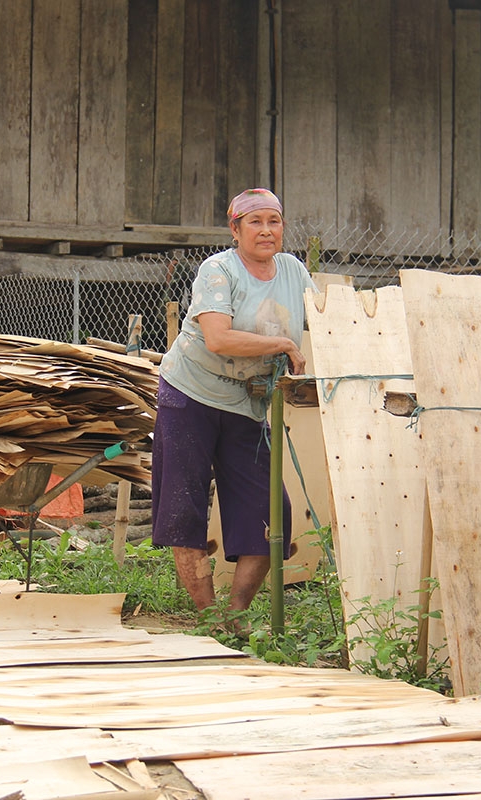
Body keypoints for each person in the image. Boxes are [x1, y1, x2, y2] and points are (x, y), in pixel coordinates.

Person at [151, 187, 316, 631]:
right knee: (185, 506)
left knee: (269, 510)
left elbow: (322, 320)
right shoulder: (218, 270)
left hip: (247, 403)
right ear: (236, 229)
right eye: (255, 222)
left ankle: (234, 616)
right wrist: (282, 343)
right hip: (190, 394)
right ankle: (208, 617)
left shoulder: (294, 271)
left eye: (274, 222)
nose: (266, 231)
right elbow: (219, 338)